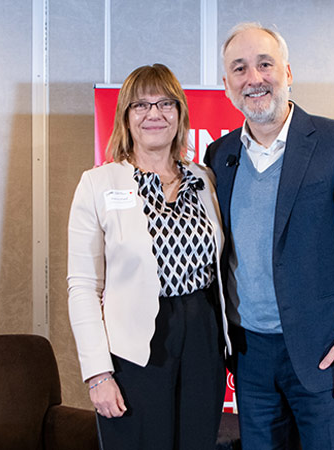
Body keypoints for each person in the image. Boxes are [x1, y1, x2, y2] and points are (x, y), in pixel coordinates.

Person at [204, 22, 334, 450]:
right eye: (239, 69)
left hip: (326, 355)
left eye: (265, 64)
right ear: (227, 86)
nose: (254, 78)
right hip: (251, 361)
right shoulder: (221, 154)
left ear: (287, 73)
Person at [67, 63, 230, 450]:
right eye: (140, 105)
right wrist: (98, 374)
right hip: (134, 348)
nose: (154, 114)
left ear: (180, 114)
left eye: (165, 104)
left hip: (203, 338)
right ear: (125, 116)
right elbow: (83, 286)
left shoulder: (204, 179)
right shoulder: (98, 184)